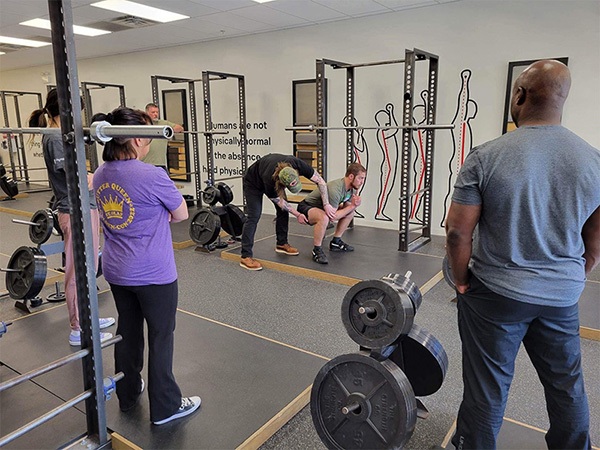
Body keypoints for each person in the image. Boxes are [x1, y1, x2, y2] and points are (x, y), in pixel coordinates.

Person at [445, 60, 599, 449]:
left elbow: (457, 231)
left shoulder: (486, 155)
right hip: (561, 297)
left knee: (487, 390)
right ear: (563, 100)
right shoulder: (595, 161)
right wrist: (576, 275)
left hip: (496, 294)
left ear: (519, 95)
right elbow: (596, 239)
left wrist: (461, 279)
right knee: (567, 388)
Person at [92, 107, 201, 425]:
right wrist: (156, 213)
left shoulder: (101, 173)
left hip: (117, 270)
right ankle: (166, 406)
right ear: (139, 138)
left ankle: (127, 393)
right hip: (153, 273)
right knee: (161, 335)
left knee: (127, 330)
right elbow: (181, 215)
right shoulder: (153, 175)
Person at [28, 88, 115, 346]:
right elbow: (73, 176)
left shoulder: (63, 134)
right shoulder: (54, 137)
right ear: (66, 111)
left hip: (86, 206)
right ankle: (78, 327)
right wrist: (96, 177)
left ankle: (89, 315)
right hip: (75, 210)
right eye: (78, 111)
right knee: (77, 271)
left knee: (90, 267)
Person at [240, 153, 336, 271]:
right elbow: (280, 201)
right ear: (281, 183)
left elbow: (321, 182)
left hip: (267, 172)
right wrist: (298, 214)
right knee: (254, 216)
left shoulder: (298, 164)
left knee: (282, 212)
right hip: (253, 183)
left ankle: (281, 243)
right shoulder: (270, 180)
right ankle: (246, 256)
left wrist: (326, 204)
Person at [297, 163, 366, 264]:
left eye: (363, 179)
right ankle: (317, 250)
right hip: (306, 206)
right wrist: (353, 206)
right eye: (360, 178)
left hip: (324, 209)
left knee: (350, 212)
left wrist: (351, 207)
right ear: (351, 176)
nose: (362, 182)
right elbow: (333, 217)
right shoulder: (336, 189)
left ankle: (336, 242)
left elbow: (347, 207)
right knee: (325, 218)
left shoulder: (352, 189)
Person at [142, 103, 184, 171]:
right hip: (145, 163)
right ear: (146, 113)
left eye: (157, 112)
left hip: (160, 164)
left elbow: (180, 128)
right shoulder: (141, 125)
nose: (155, 114)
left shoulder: (163, 124)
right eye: (153, 112)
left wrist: (167, 130)